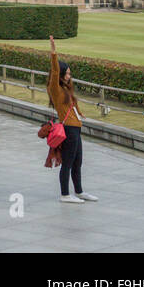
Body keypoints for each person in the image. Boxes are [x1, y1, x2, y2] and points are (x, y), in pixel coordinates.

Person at [48, 35, 96, 203]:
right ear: (60, 74)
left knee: (77, 161)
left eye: (69, 73)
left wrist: (80, 114)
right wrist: (54, 52)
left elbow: (72, 104)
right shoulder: (55, 88)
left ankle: (79, 191)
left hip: (76, 128)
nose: (69, 76)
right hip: (69, 128)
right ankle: (65, 194)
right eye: (66, 73)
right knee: (68, 162)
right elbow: (54, 72)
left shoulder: (65, 89)